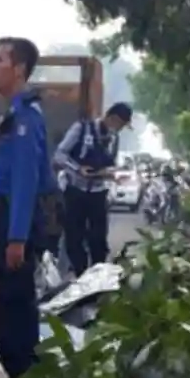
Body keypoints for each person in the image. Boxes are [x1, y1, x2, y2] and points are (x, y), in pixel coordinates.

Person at [0, 37, 56, 378]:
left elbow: (25, 181)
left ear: (20, 69)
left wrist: (17, 238)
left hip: (18, 218)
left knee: (15, 308)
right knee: (12, 305)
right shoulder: (17, 113)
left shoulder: (25, 118)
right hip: (12, 216)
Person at [53, 102, 132, 275]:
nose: (119, 129)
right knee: (74, 239)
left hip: (98, 192)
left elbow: (110, 164)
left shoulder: (113, 139)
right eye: (120, 124)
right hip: (75, 190)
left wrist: (112, 174)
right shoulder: (81, 129)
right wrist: (78, 169)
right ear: (112, 118)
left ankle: (96, 279)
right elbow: (59, 155)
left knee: (98, 240)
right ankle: (80, 274)